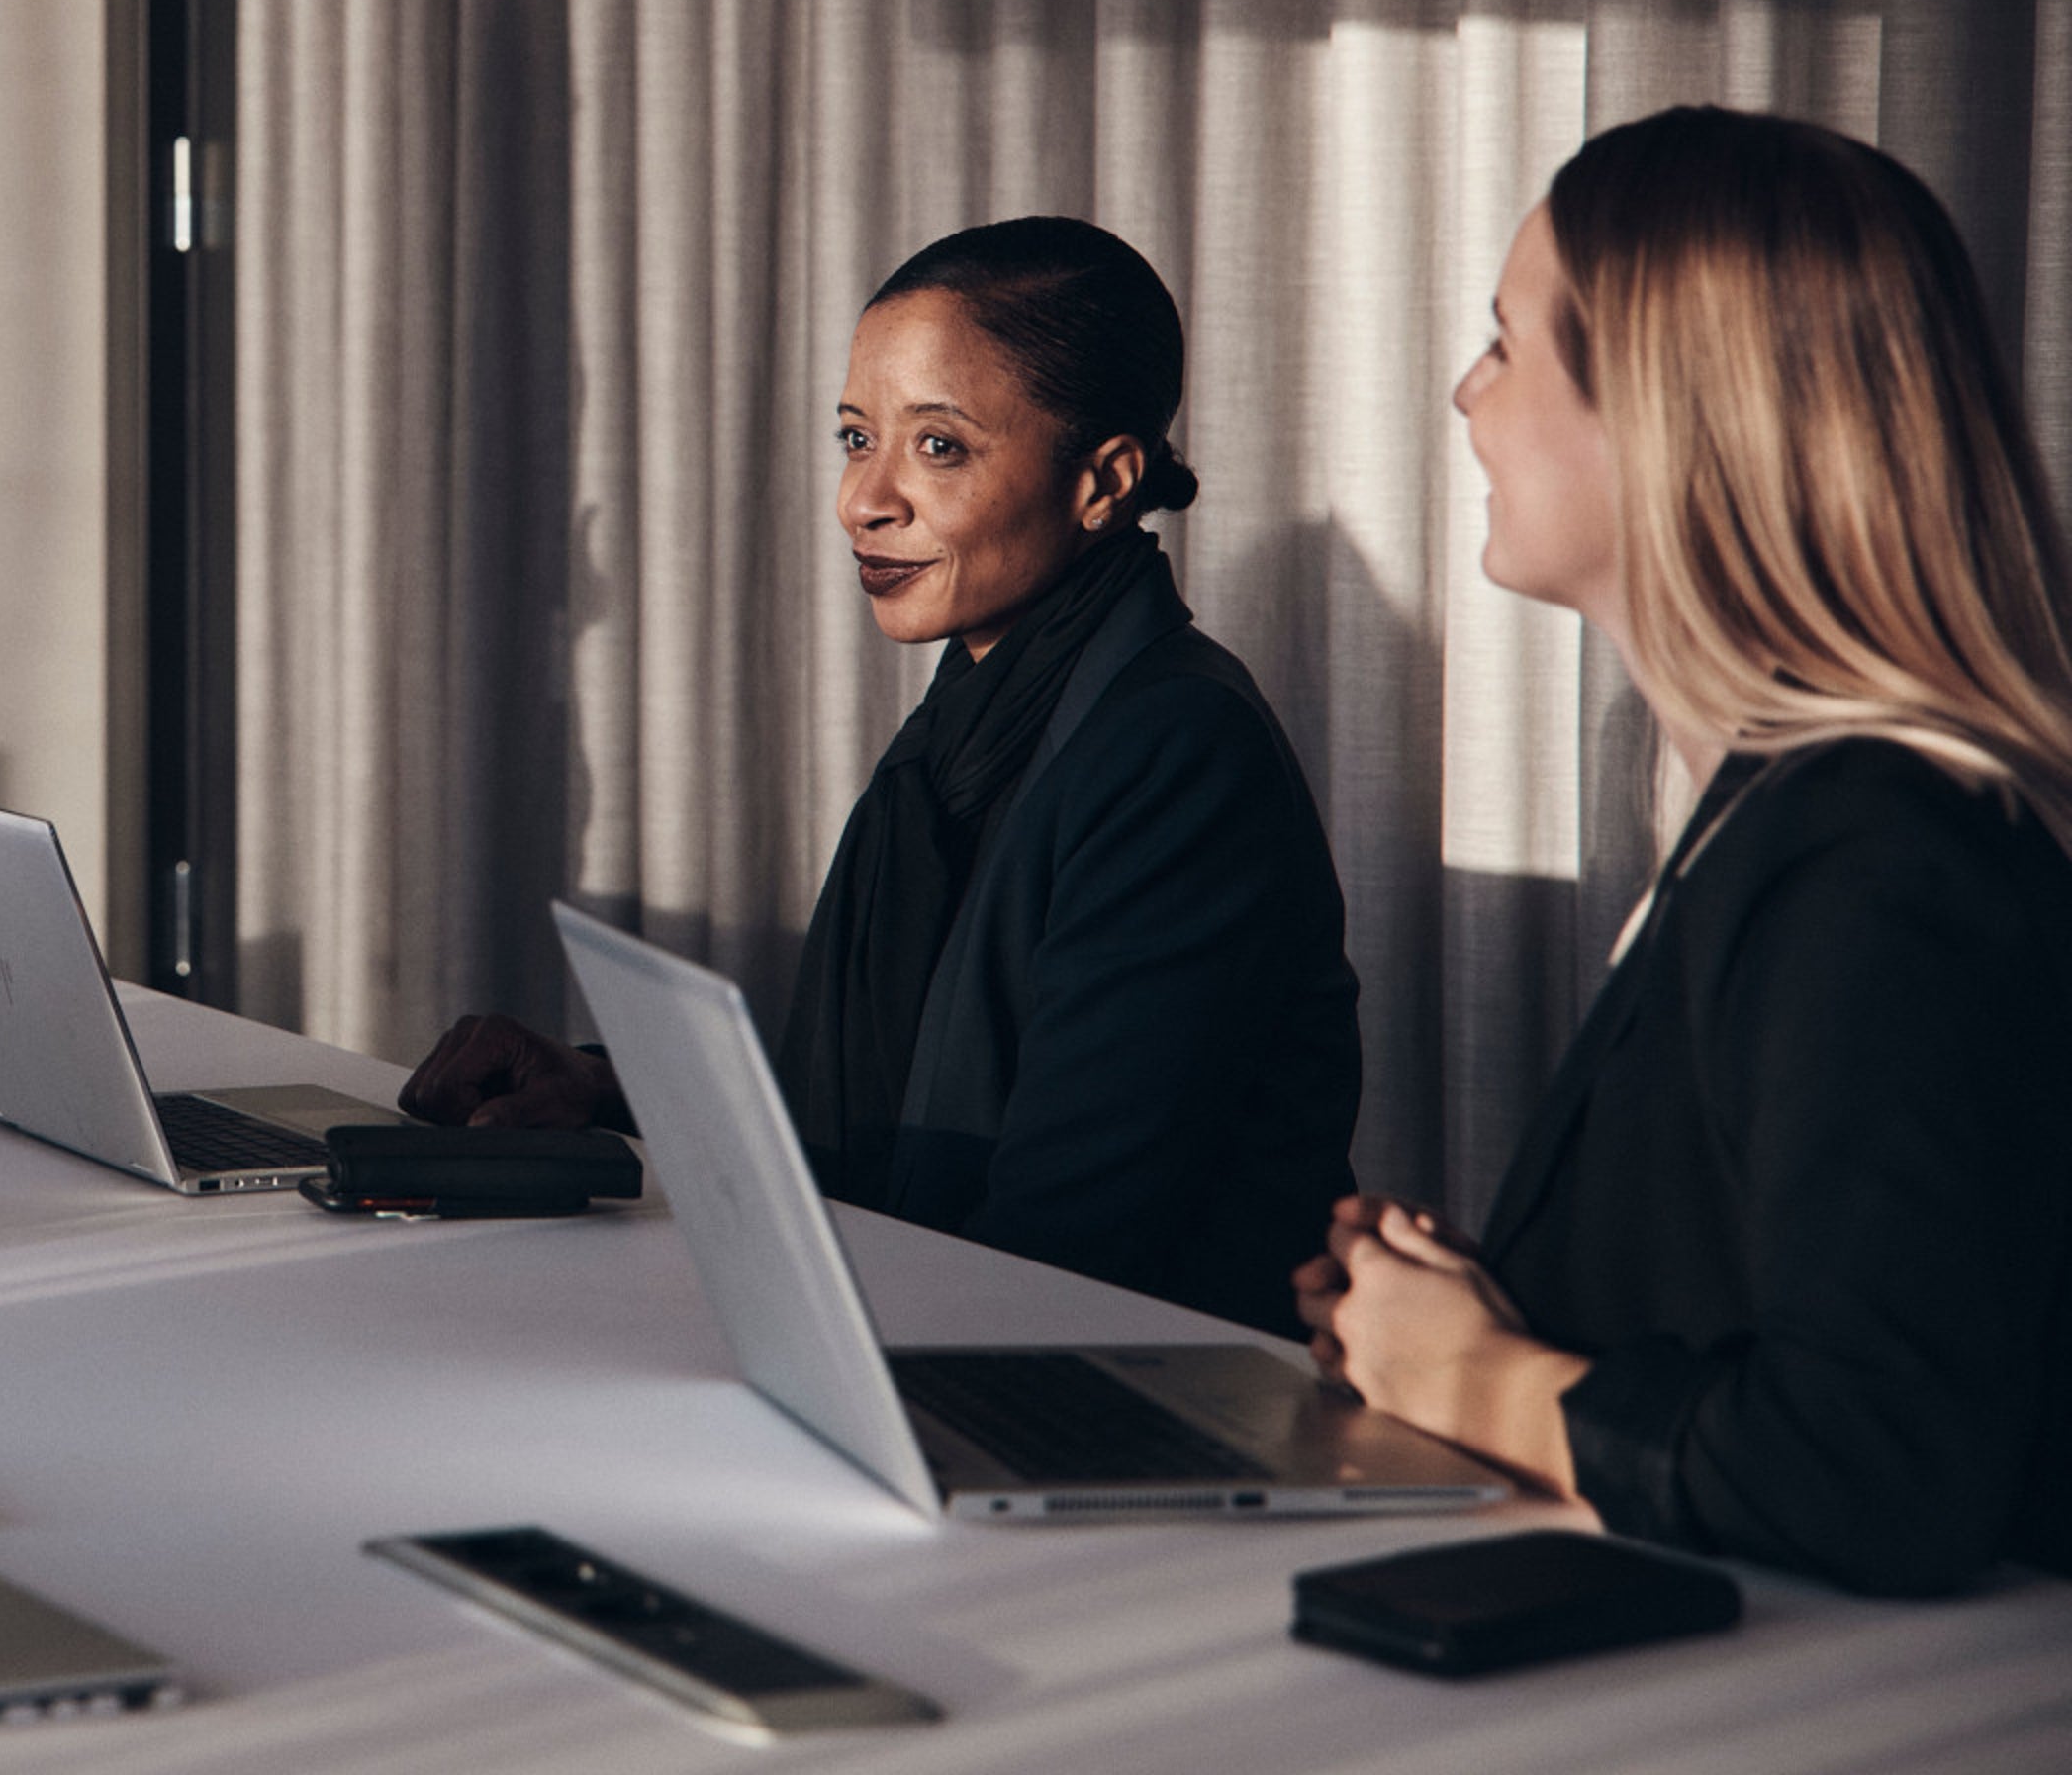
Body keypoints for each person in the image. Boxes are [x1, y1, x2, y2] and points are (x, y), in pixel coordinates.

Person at [1297, 108, 2072, 1597]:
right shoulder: (1766, 812)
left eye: (1508, 344)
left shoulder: (1879, 860)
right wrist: (1491, 1307)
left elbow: (1872, 1469)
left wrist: (1475, 1379)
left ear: (1664, 413)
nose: (1468, 394)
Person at [403, 219, 1360, 1335]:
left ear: (1103, 482)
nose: (866, 498)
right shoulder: (974, 713)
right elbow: (884, 1098)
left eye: (938, 447)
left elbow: (1064, 1245)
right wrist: (609, 1092)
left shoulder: (1177, 752)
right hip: (950, 1349)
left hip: (1106, 1409)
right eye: (857, 437)